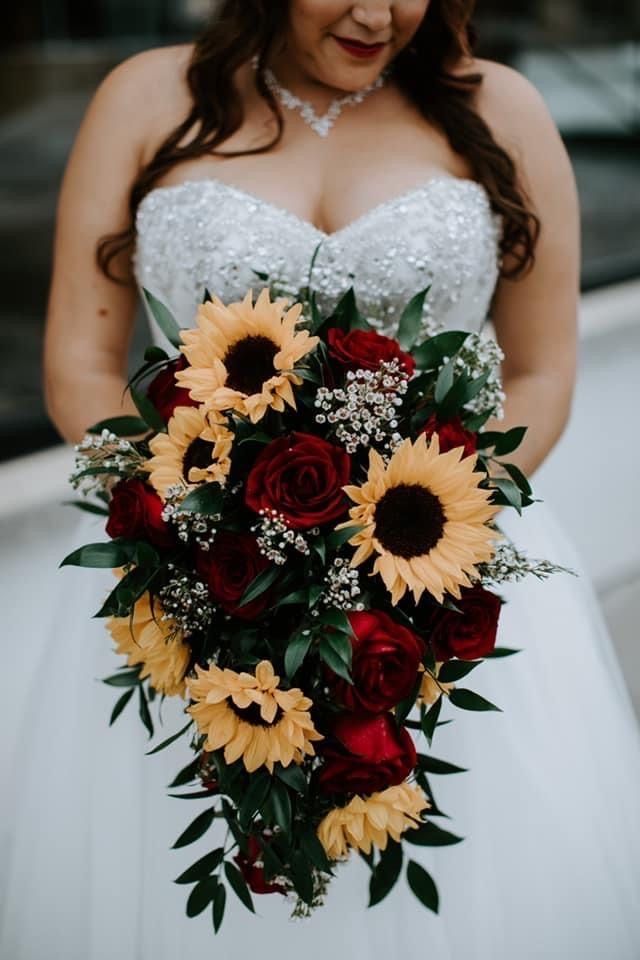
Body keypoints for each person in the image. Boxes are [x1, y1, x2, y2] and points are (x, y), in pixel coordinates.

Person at [2, 2, 640, 957]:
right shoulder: (145, 98)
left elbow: (541, 370)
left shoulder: (500, 108)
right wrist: (204, 534)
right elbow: (80, 367)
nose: (377, 12)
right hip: (190, 583)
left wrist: (419, 535)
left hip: (437, 579)